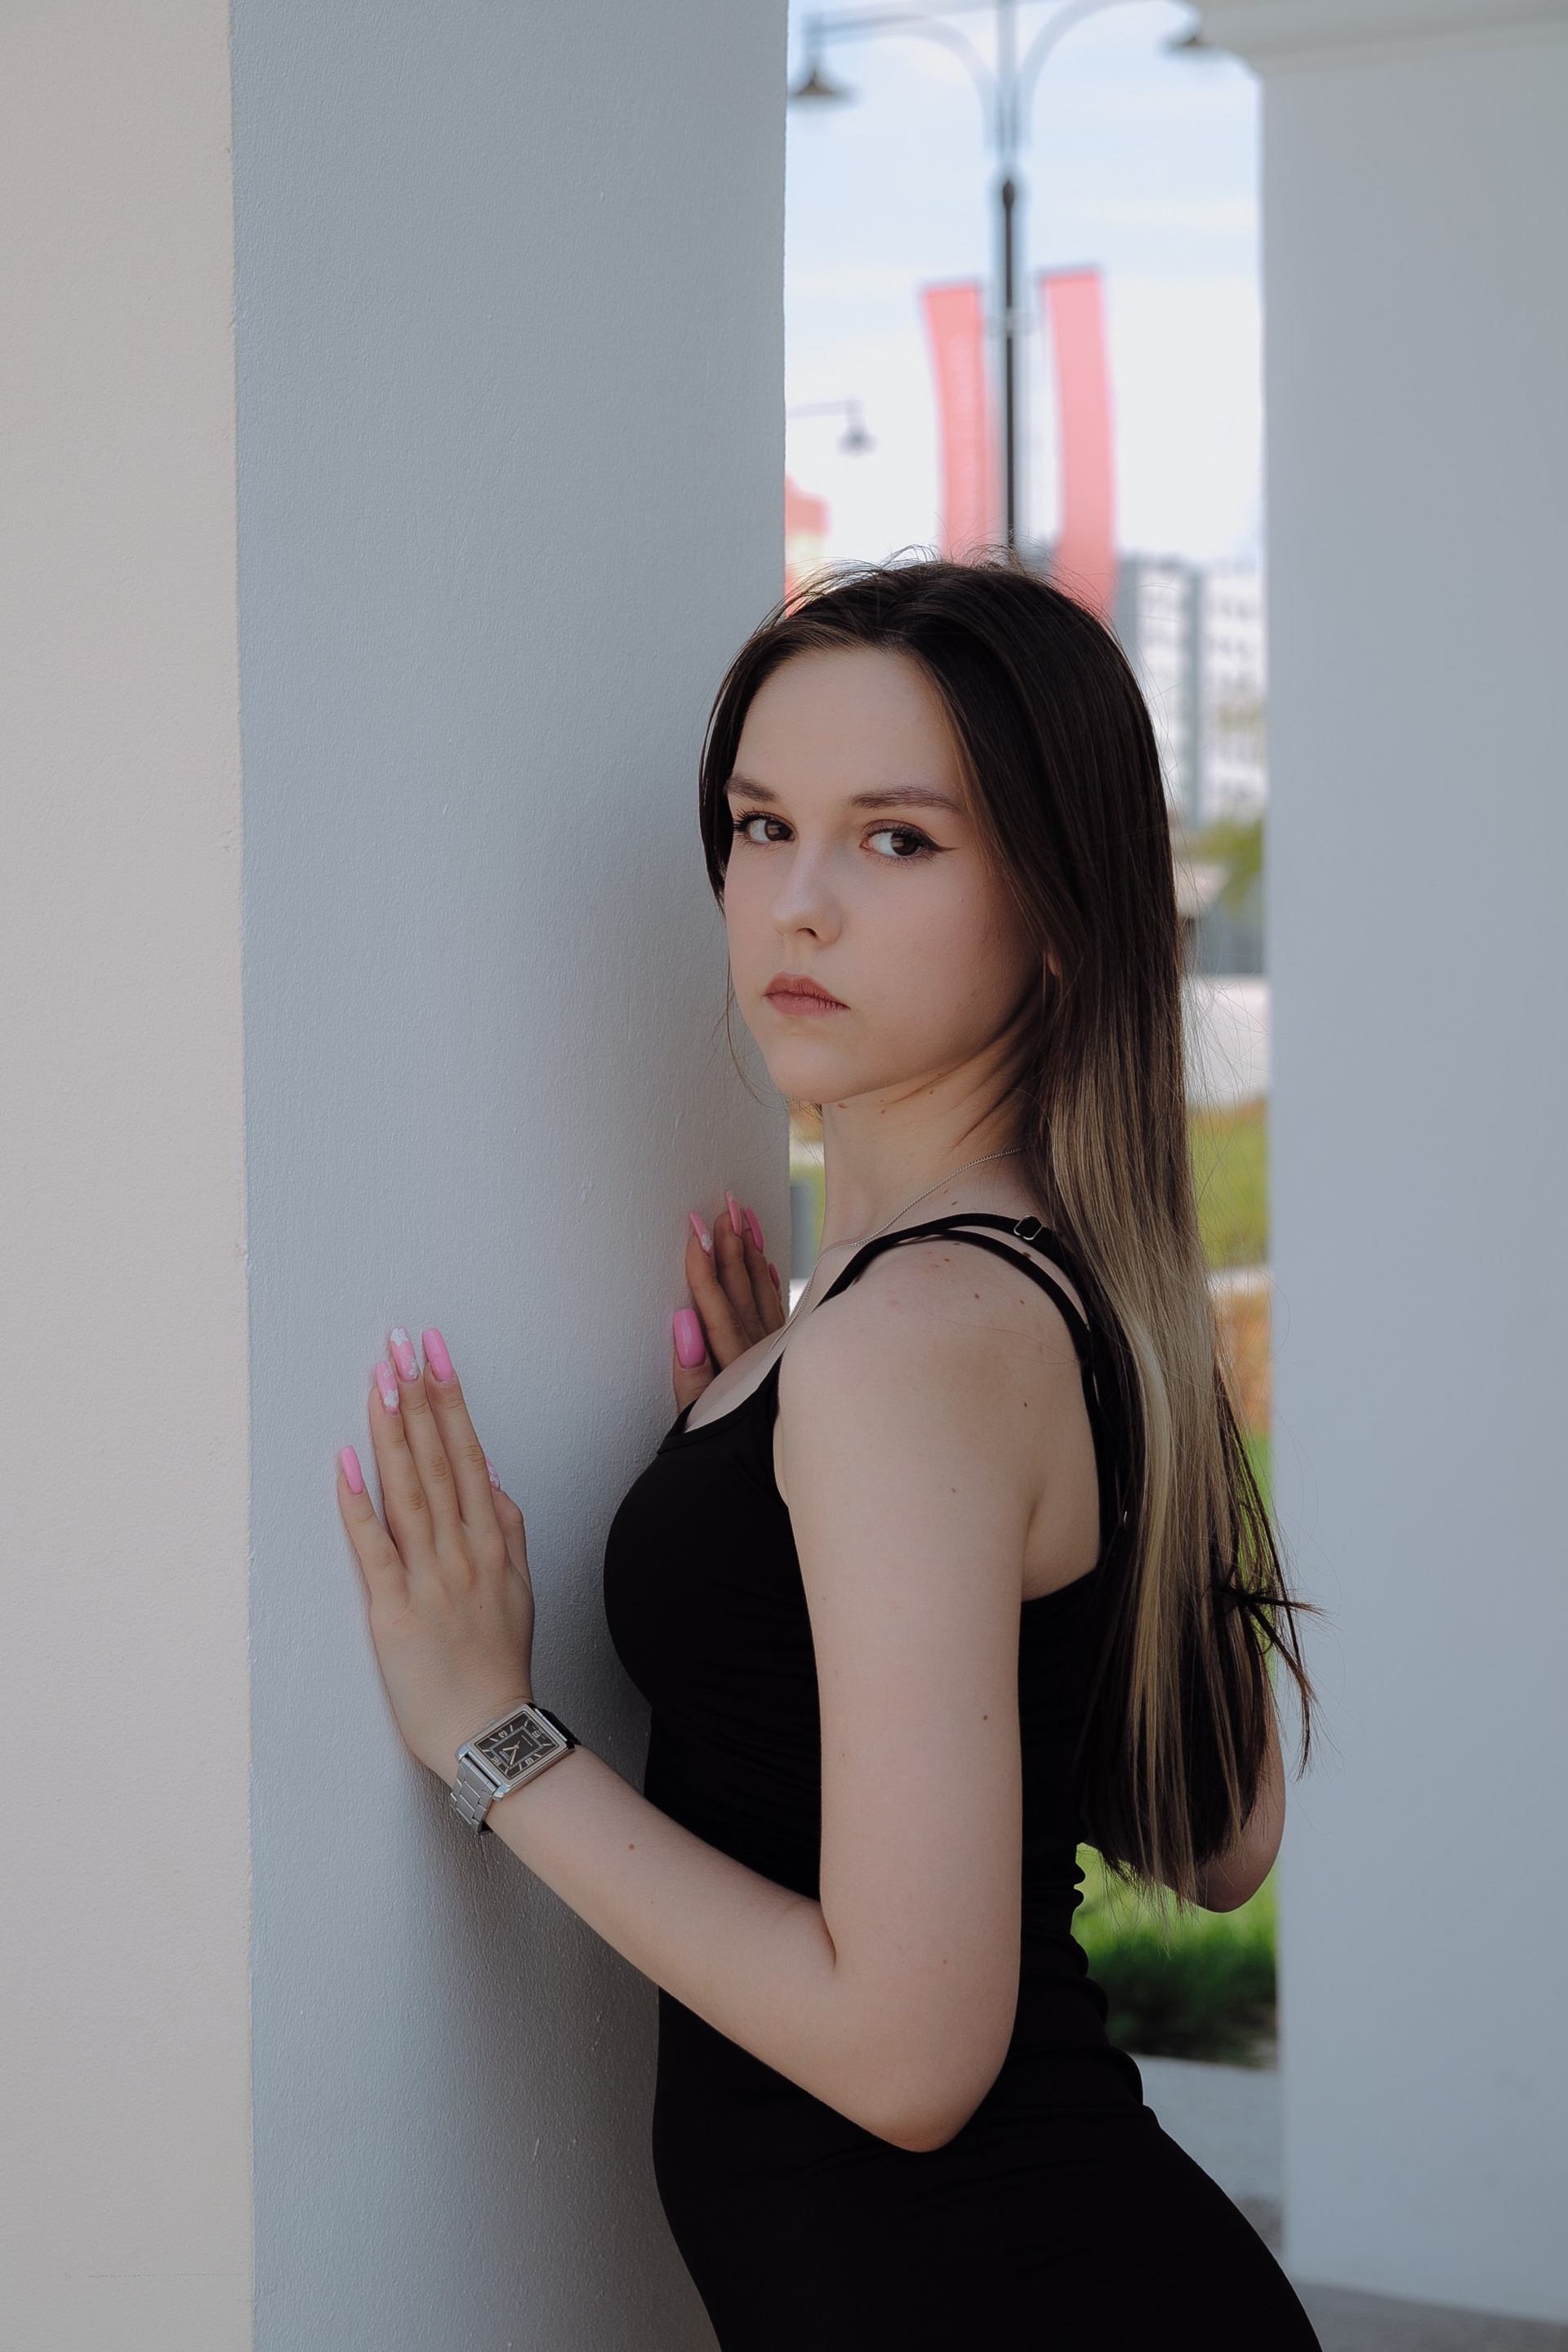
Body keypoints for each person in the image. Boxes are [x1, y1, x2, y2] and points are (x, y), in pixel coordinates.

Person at [336, 559, 1320, 2348]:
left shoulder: (905, 1347)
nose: (796, 903)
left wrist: (495, 1740)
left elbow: (910, 2058)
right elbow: (1219, 1831)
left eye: (897, 840)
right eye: (761, 825)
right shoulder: (1045, 1295)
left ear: (1061, 904)